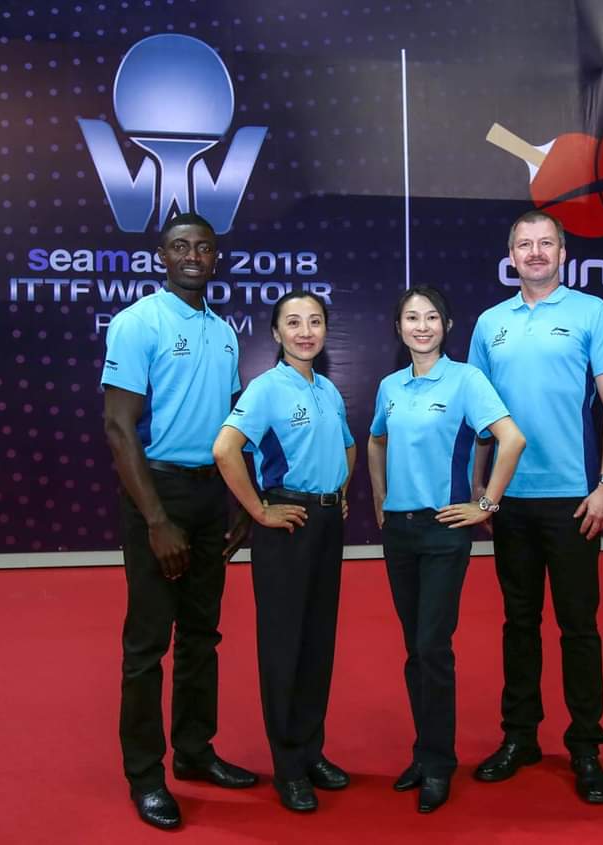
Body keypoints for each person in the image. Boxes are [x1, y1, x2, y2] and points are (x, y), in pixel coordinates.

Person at [467, 210, 603, 804]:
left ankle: (586, 744)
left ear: (564, 251)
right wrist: (480, 492)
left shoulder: (591, 313)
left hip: (574, 498)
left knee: (579, 626)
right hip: (509, 501)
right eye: (524, 244)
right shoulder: (489, 324)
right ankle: (520, 737)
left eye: (545, 244)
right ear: (510, 254)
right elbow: (480, 418)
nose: (535, 253)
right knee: (518, 622)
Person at [101, 212, 257, 831]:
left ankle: (195, 753)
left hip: (209, 496)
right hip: (157, 499)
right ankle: (146, 776)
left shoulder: (223, 334)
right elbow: (118, 427)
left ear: (216, 258)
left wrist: (240, 500)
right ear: (161, 256)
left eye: (204, 247)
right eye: (180, 246)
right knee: (146, 646)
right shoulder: (138, 322)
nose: (193, 255)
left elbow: (231, 428)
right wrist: (157, 521)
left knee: (202, 637)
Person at [368, 286, 526, 814]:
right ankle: (424, 750)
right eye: (411, 317)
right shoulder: (390, 386)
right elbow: (375, 440)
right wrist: (380, 499)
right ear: (399, 328)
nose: (421, 326)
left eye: (431, 317)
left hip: (443, 531)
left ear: (448, 325)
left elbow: (511, 438)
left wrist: (486, 503)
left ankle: (438, 763)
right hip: (399, 532)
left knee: (433, 646)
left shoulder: (467, 380)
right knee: (415, 647)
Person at [212, 291, 356, 813]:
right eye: (292, 323)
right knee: (283, 649)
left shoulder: (328, 391)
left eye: (314, 322)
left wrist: (337, 492)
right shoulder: (266, 389)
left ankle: (311, 750)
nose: (305, 331)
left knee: (318, 644)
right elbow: (226, 448)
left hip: (324, 524)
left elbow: (348, 445)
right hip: (285, 524)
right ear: (274, 334)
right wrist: (258, 511)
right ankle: (288, 766)